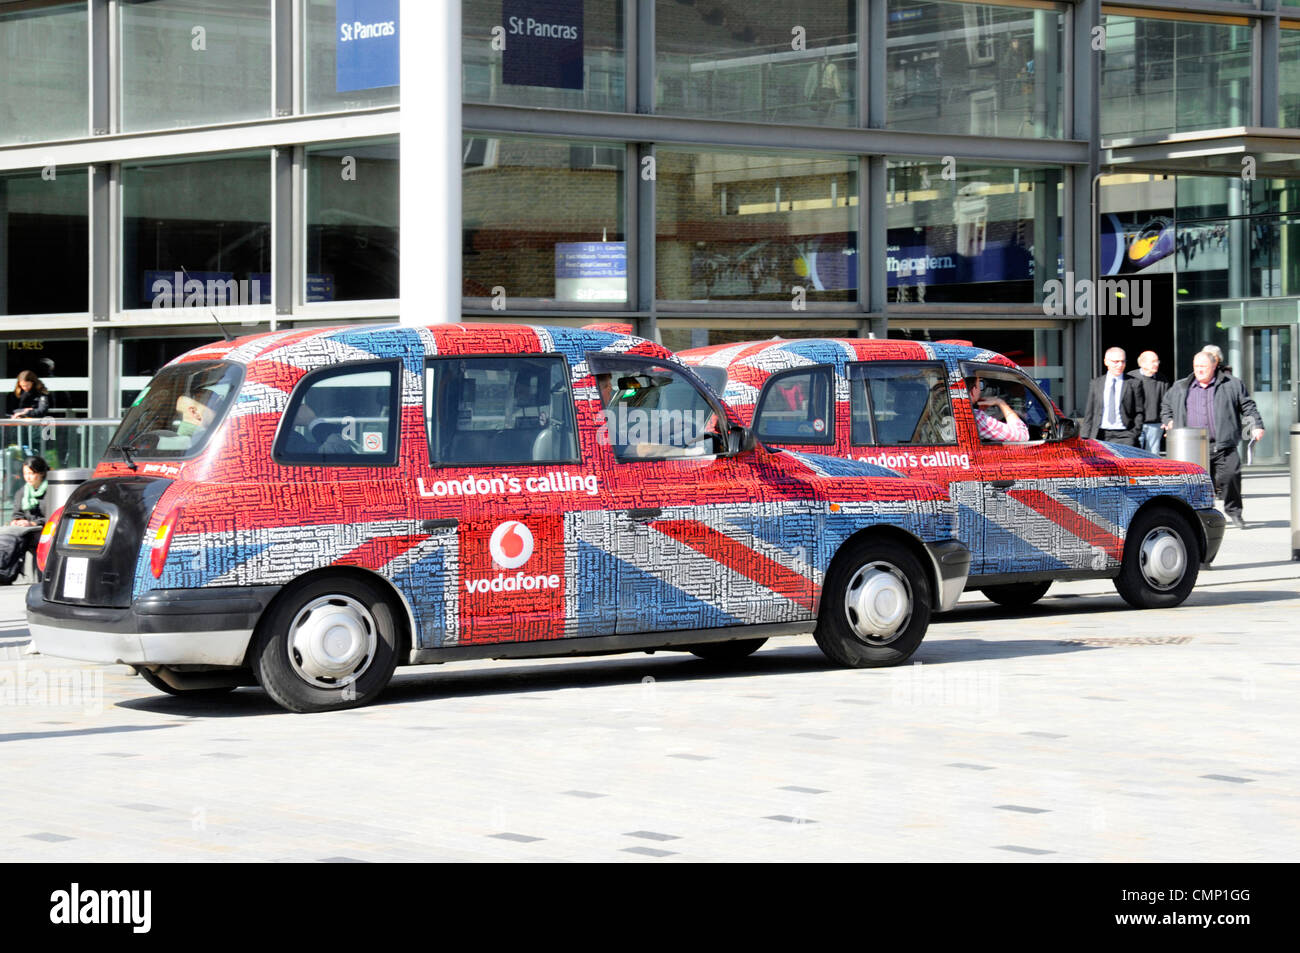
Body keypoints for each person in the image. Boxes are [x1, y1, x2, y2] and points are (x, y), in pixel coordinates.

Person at [1161, 349, 1264, 529]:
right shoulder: (1181, 386)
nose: (1199, 370)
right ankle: (1199, 519)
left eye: (1203, 366)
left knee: (1231, 476)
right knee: (1195, 486)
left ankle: (1234, 512)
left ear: (1214, 365)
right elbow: (1166, 406)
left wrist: (1256, 425)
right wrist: (1169, 421)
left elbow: (1248, 406)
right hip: (1192, 446)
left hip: (1223, 444)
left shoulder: (1232, 384)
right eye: (1196, 366)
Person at [0, 456, 50, 584]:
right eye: (25, 473)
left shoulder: (51, 490)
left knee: (24, 538)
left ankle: (5, 572)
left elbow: (52, 516)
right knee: (9, 535)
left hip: (43, 528)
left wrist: (33, 523)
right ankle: (3, 570)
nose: (28, 477)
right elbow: (17, 513)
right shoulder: (22, 492)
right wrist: (17, 520)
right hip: (25, 528)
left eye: (31, 473)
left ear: (41, 473)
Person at [1081, 347, 1144, 446]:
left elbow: (1139, 411)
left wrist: (1134, 433)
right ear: (1106, 362)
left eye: (1123, 361)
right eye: (1116, 361)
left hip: (1126, 435)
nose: (1120, 365)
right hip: (1101, 434)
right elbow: (1090, 413)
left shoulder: (1134, 383)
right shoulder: (1096, 383)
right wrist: (1084, 437)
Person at [1127, 350, 1169, 453]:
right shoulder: (1131, 377)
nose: (1156, 364)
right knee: (1134, 454)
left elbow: (1166, 403)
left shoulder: (1162, 379)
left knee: (1153, 456)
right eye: (1153, 361)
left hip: (1155, 425)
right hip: (1135, 424)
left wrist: (1166, 421)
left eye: (1157, 361)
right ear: (1142, 363)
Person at [968, 375, 1028, 442]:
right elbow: (1022, 436)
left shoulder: (962, 412)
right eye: (980, 385)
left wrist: (981, 410)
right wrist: (1001, 403)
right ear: (973, 391)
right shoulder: (975, 416)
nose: (980, 391)